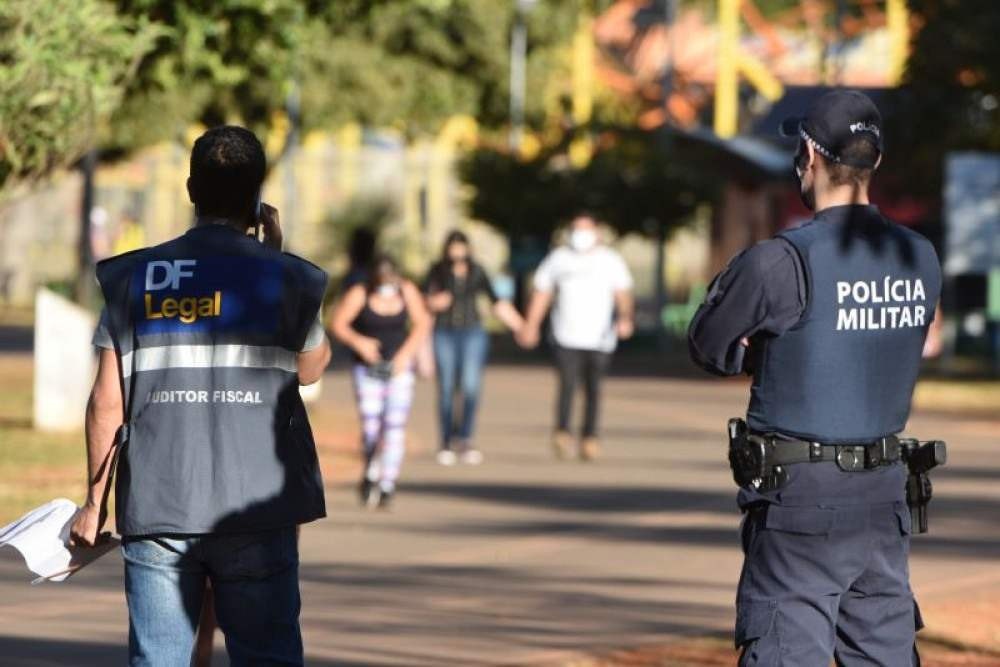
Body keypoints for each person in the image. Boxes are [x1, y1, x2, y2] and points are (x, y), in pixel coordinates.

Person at [688, 89, 942, 665]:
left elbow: (708, 344)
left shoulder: (781, 260)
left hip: (801, 504)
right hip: (883, 500)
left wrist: (768, 354)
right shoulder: (919, 257)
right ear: (873, 162)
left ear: (807, 155)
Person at [69, 125, 332, 666]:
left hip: (160, 505)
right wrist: (274, 260)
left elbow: (105, 401)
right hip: (258, 505)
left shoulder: (134, 277)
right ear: (258, 194)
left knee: (160, 658)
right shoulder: (287, 278)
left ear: (192, 190)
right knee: (268, 656)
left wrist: (95, 504)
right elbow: (310, 369)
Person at [517, 212, 634, 461]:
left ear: (597, 232)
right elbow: (542, 294)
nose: (580, 234)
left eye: (585, 229)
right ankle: (562, 432)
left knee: (593, 388)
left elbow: (623, 294)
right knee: (567, 385)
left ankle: (590, 437)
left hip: (600, 338)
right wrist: (531, 325)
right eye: (576, 229)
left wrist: (625, 318)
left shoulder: (610, 260)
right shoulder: (559, 259)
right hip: (565, 335)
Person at [331, 255, 432, 507]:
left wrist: (406, 355)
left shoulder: (407, 290)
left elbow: (422, 323)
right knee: (371, 426)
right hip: (368, 369)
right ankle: (370, 470)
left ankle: (387, 483)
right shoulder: (360, 292)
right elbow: (339, 324)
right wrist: (360, 343)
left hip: (399, 369)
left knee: (395, 426)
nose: (387, 288)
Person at [424, 230, 524, 465]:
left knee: (471, 386)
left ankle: (465, 438)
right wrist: (434, 303)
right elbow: (420, 300)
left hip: (472, 333)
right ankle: (446, 440)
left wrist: (521, 326)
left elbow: (496, 302)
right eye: (453, 246)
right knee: (447, 387)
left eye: (461, 246)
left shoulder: (477, 271)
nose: (457, 252)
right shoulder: (437, 270)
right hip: (444, 332)